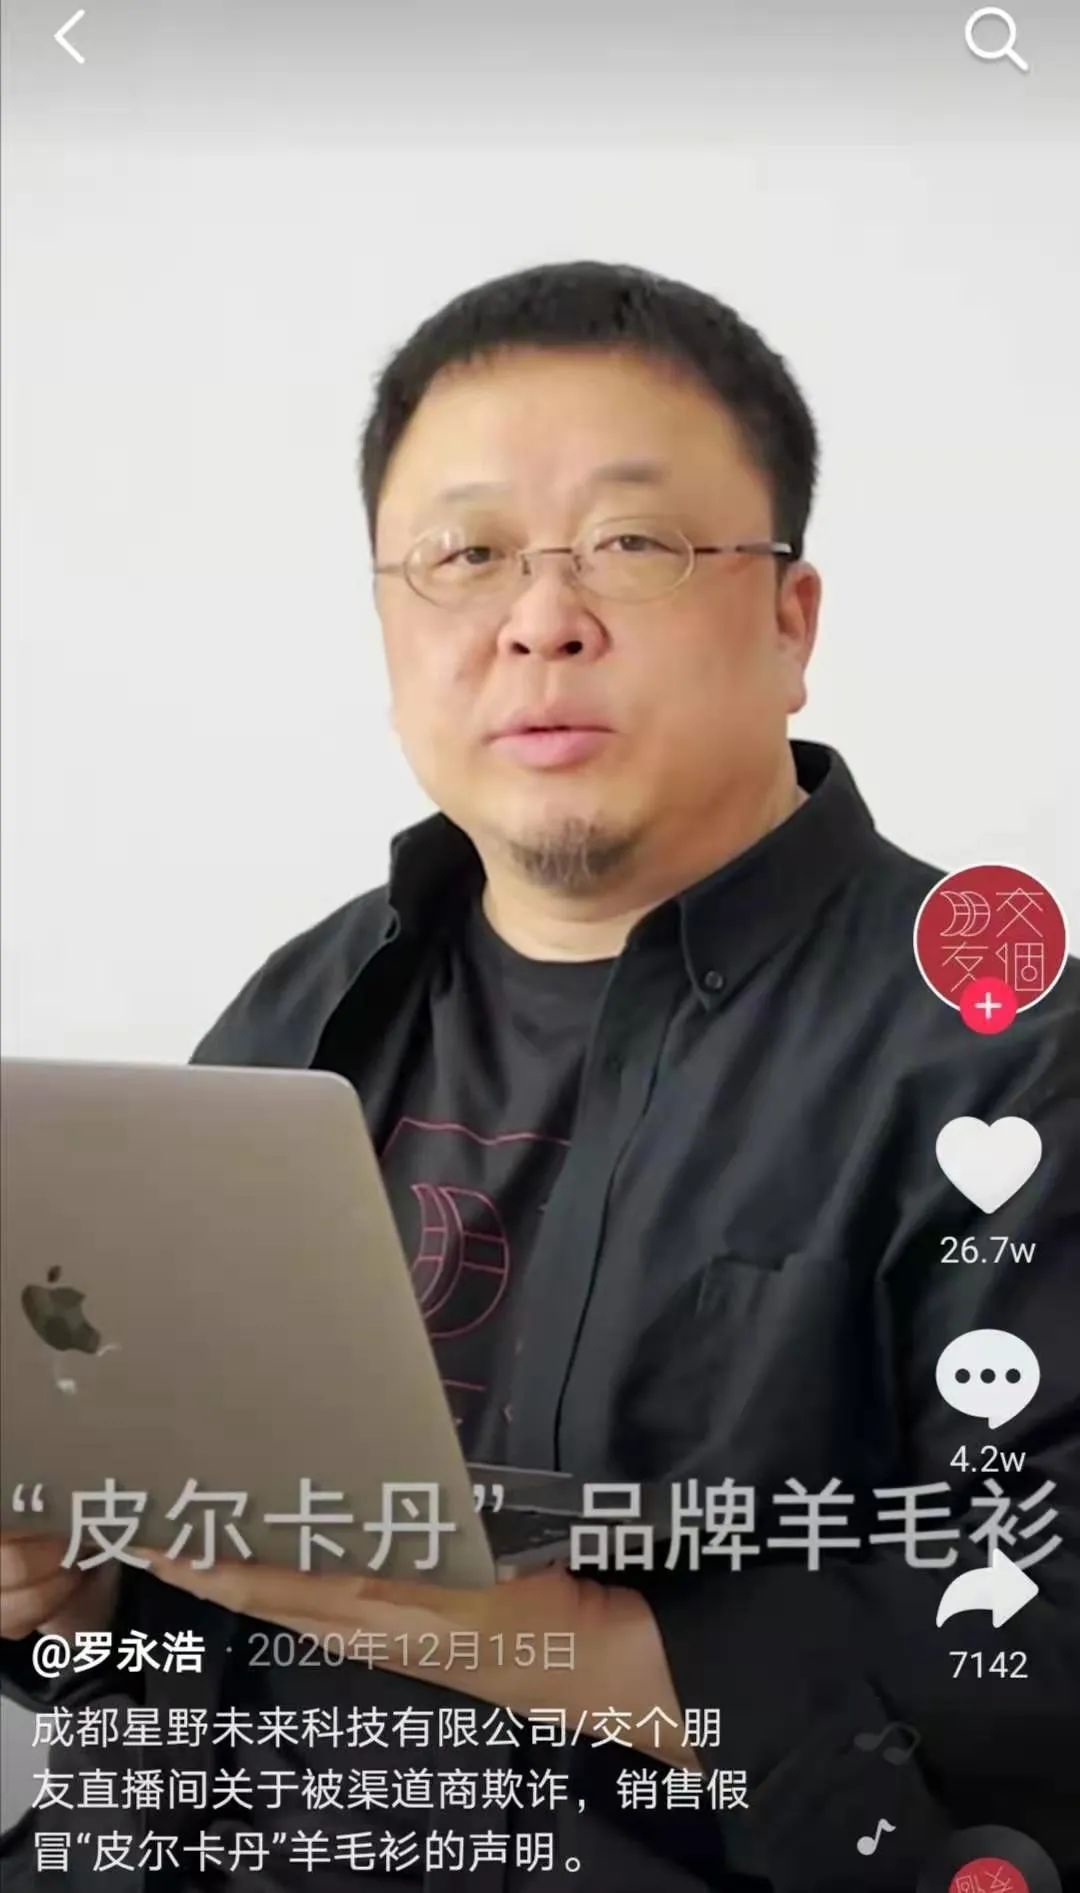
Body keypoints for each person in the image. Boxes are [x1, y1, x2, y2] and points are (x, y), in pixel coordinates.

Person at [2, 260, 1078, 1893]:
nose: (540, 617)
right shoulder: (306, 1005)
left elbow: (1041, 1639)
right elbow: (166, 1550)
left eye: (631, 544)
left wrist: (554, 1645)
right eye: (465, 555)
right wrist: (66, 1599)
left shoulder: (1004, 1045)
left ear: (791, 620)